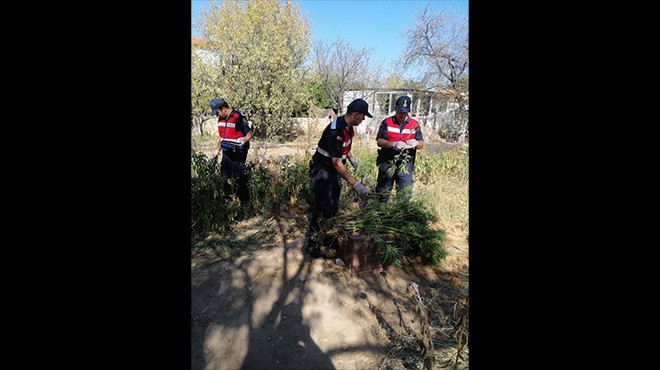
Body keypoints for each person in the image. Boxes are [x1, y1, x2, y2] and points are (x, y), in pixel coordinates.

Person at [307, 98, 371, 257]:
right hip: (323, 172)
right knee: (322, 209)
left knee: (333, 206)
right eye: (363, 116)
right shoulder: (335, 130)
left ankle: (326, 237)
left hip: (334, 172)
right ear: (355, 114)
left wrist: (350, 158)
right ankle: (312, 245)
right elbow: (336, 163)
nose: (363, 119)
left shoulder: (349, 128)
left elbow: (345, 146)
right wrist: (356, 184)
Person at [375, 95, 424, 203]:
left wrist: (416, 143)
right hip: (387, 161)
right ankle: (380, 214)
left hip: (406, 163)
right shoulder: (386, 122)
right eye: (400, 112)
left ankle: (401, 215)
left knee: (404, 194)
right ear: (395, 108)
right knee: (383, 193)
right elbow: (379, 141)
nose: (402, 115)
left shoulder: (414, 125)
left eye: (405, 112)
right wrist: (393, 144)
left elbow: (421, 144)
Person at [209, 98, 254, 202]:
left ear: (223, 109)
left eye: (217, 112)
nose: (217, 115)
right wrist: (217, 150)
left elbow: (249, 134)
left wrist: (242, 142)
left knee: (238, 177)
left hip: (238, 152)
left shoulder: (238, 117)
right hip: (226, 151)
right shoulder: (221, 118)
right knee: (224, 176)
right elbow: (222, 137)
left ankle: (244, 203)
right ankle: (228, 202)